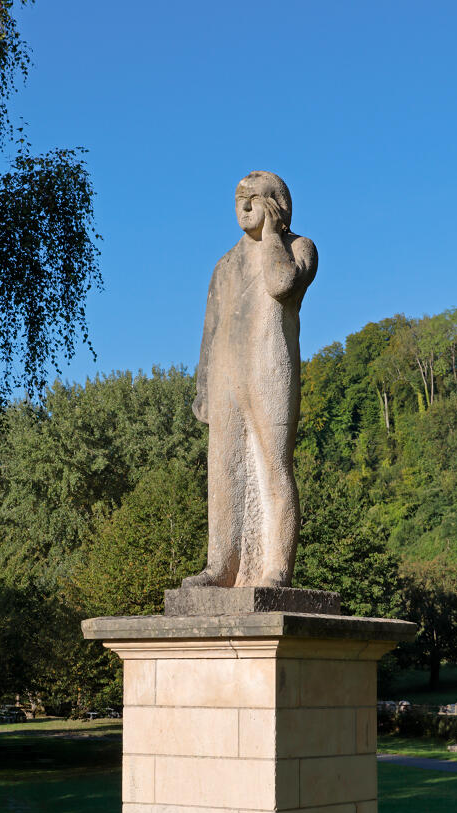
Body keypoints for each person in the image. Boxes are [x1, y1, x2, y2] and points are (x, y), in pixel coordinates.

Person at [182, 171, 318, 589]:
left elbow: (280, 284)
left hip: (270, 367)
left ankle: (275, 567)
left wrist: (274, 234)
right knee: (223, 471)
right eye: (238, 198)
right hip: (226, 373)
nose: (243, 207)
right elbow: (211, 329)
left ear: (276, 204)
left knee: (272, 466)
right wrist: (204, 387)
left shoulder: (299, 247)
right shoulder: (225, 265)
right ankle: (220, 565)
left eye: (253, 198)